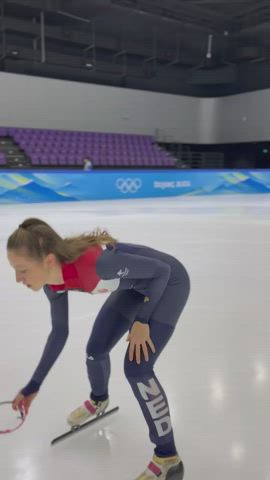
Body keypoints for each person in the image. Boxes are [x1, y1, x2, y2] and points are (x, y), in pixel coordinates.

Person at [7, 218, 190, 480]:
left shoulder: (97, 265)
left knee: (138, 369)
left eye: (22, 270)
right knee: (95, 350)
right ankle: (99, 398)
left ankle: (168, 457)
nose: (17, 279)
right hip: (134, 287)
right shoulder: (52, 283)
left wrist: (142, 321)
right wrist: (33, 386)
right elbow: (59, 333)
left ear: (47, 261)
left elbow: (161, 271)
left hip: (169, 283)